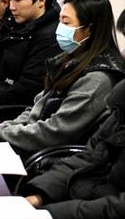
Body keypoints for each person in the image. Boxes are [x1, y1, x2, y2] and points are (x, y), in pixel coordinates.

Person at [0, 0, 125, 159]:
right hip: (31, 141)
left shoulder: (97, 78)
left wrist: (1, 131)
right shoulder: (71, 60)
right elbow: (38, 107)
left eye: (66, 22)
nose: (59, 28)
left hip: (49, 157)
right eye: (60, 20)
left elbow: (56, 133)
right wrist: (5, 128)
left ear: (89, 29)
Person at [21, 78, 125, 219]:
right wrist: (40, 194)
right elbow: (88, 157)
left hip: (94, 209)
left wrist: (52, 212)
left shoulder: (97, 80)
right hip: (80, 199)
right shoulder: (120, 107)